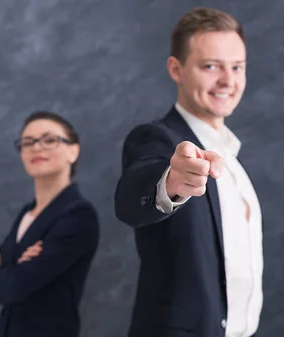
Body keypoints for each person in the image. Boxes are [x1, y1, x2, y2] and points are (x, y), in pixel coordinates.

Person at [115, 7, 263, 337]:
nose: (228, 80)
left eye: (237, 67)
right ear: (176, 69)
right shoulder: (158, 140)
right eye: (211, 66)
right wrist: (171, 182)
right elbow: (131, 197)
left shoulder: (232, 158)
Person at [0, 111, 99, 337]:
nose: (36, 148)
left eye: (49, 140)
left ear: (73, 151)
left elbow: (13, 287)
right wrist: (10, 274)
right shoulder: (26, 214)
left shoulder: (78, 214)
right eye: (27, 142)